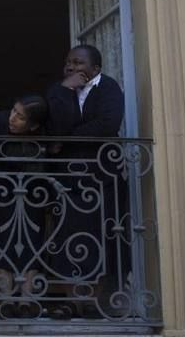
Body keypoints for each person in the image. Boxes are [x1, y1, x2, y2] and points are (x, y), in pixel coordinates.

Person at [45, 44, 125, 319]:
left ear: (95, 69)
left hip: (102, 175)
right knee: (69, 236)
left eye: (78, 62)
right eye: (68, 62)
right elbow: (55, 124)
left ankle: (93, 300)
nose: (71, 67)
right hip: (68, 177)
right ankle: (72, 300)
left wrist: (66, 139)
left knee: (100, 236)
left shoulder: (109, 88)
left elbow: (107, 124)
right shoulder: (59, 91)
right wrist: (65, 90)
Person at [0, 95, 48, 317]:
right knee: (1, 245)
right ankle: (5, 301)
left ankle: (26, 301)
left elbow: (37, 173)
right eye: (13, 111)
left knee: (31, 245)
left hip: (31, 197)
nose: (12, 118)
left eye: (20, 117)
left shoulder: (41, 139)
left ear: (34, 126)